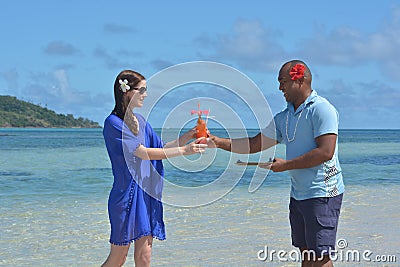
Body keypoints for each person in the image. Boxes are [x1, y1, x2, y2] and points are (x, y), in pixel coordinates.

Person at [209, 60, 344, 267]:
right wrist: (217, 142)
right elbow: (254, 144)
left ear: (299, 79)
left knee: (320, 256)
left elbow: (325, 152)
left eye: (282, 81)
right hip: (299, 193)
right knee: (306, 253)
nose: (279, 87)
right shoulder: (285, 117)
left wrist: (286, 165)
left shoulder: (322, 109)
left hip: (323, 192)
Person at [102, 70, 207, 267]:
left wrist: (190, 134)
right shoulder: (113, 123)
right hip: (126, 196)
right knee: (118, 258)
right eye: (141, 90)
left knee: (145, 256)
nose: (145, 94)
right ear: (127, 92)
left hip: (145, 194)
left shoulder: (141, 122)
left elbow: (160, 148)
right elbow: (142, 152)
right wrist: (185, 150)